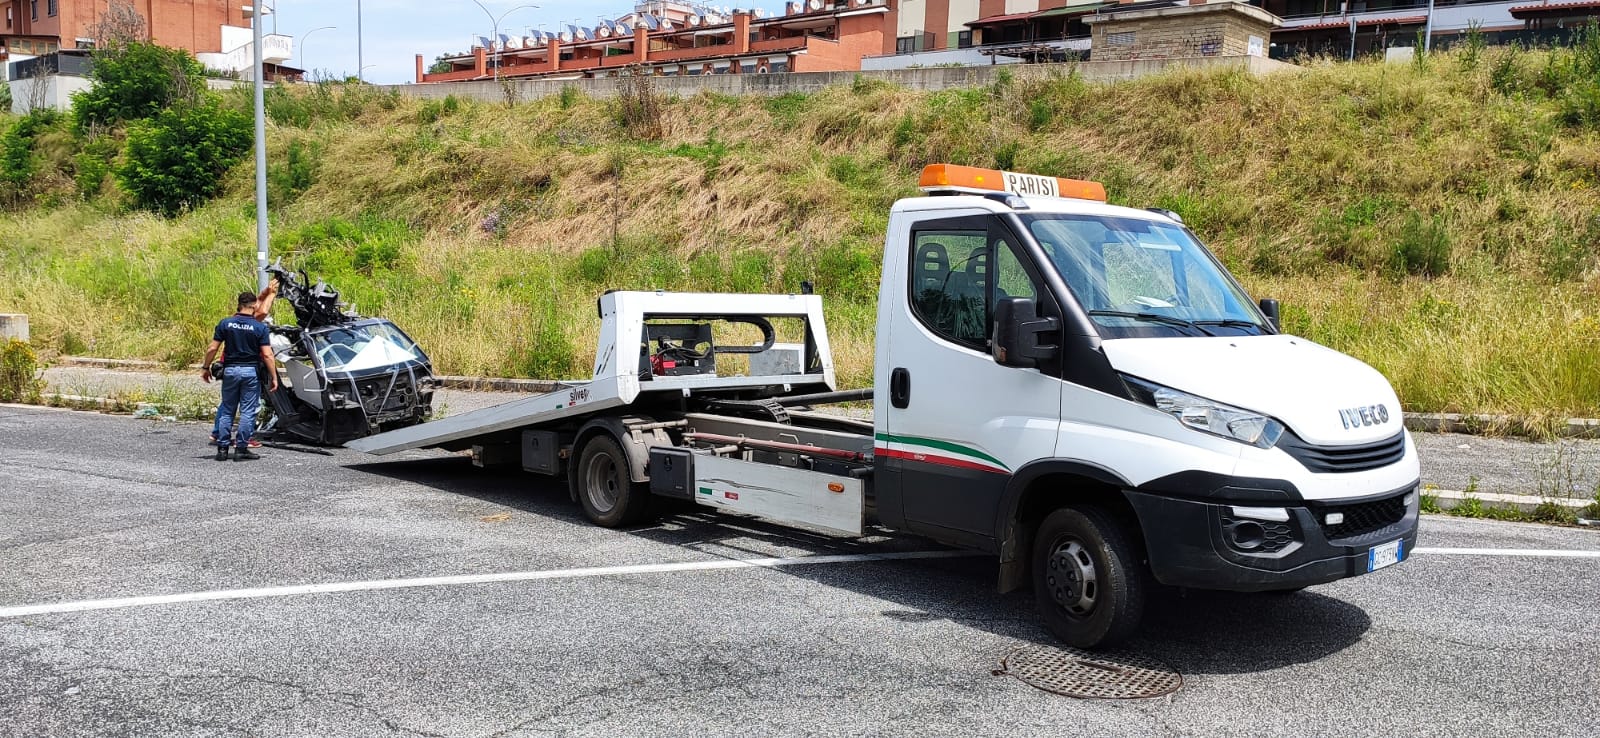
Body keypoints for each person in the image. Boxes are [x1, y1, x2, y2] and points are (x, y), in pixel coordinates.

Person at [203, 291, 279, 461]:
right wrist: (274, 376)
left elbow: (212, 348)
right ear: (254, 306)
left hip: (230, 371)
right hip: (250, 372)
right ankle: (241, 449)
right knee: (247, 411)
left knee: (228, 410)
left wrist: (205, 367)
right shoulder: (259, 327)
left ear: (239, 304)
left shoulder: (226, 323)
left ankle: (222, 450)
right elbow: (267, 355)